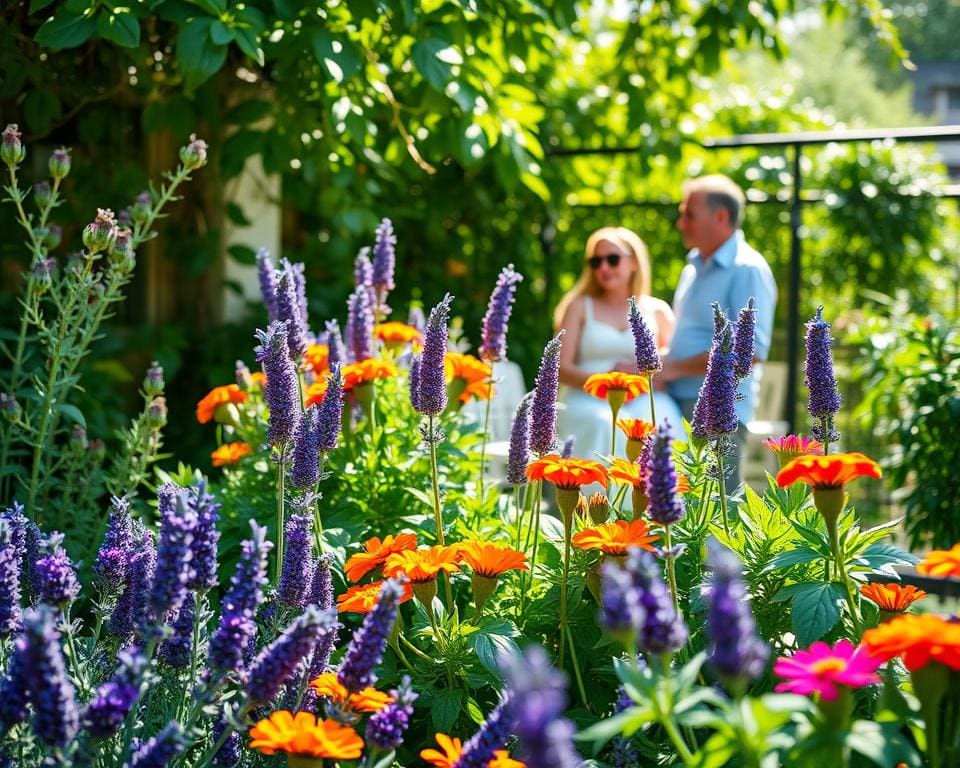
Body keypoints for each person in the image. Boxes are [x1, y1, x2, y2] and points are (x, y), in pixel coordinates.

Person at [660, 174, 777, 494]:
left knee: (716, 513)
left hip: (718, 414)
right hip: (675, 403)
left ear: (721, 216)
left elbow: (746, 353)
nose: (680, 223)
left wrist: (675, 369)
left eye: (689, 214)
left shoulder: (747, 269)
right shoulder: (693, 267)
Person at [554, 227, 684, 468]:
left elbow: (674, 359)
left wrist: (650, 372)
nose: (604, 267)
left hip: (644, 398)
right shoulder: (580, 307)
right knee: (606, 426)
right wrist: (611, 382)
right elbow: (561, 368)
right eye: (596, 261)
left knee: (666, 429)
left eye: (612, 259)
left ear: (634, 261)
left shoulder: (657, 310)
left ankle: (664, 503)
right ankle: (598, 504)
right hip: (586, 398)